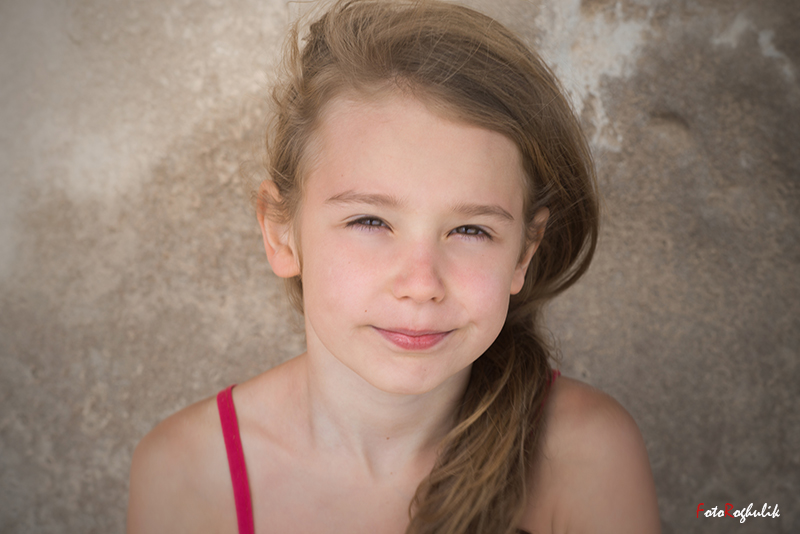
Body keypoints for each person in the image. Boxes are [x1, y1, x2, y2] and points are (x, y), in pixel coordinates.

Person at [127, 1, 661, 532]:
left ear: (524, 251)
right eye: (370, 221)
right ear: (280, 231)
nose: (421, 285)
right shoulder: (186, 474)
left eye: (471, 230)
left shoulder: (588, 457)